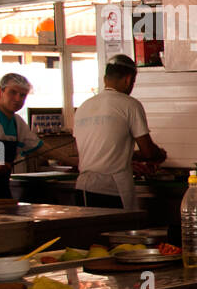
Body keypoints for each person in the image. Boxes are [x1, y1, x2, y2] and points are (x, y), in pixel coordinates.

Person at [72, 55, 167, 209]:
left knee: (91, 232)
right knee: (118, 232)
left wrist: (127, 157)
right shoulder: (130, 105)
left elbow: (85, 150)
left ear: (104, 79)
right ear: (128, 80)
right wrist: (160, 155)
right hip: (112, 190)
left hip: (83, 188)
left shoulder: (83, 107)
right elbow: (148, 152)